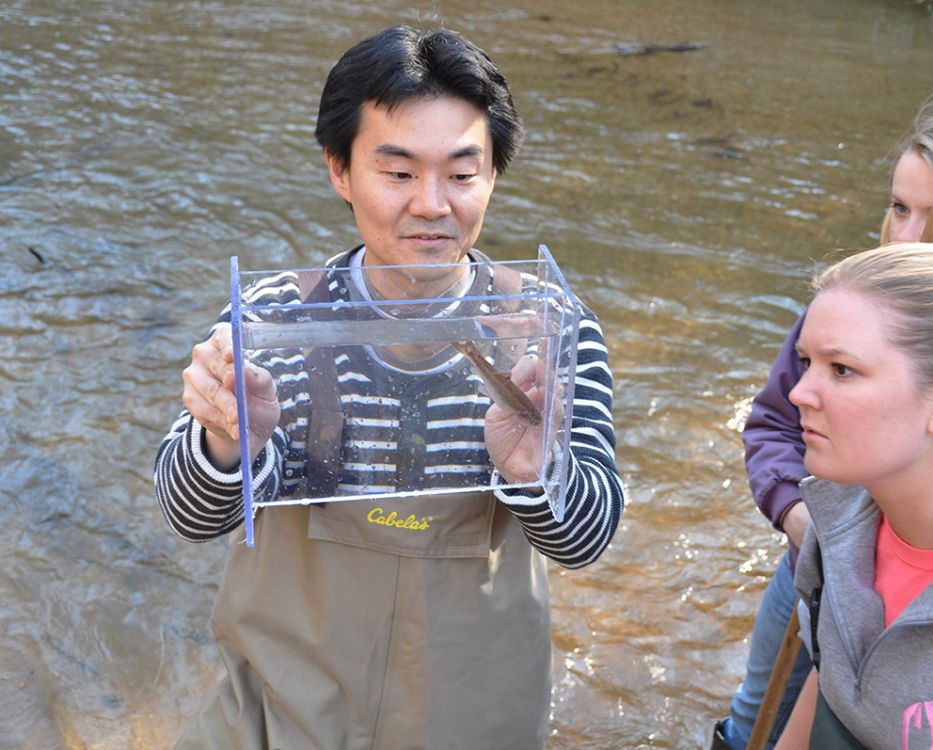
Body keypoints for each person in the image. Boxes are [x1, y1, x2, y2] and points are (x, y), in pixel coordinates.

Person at [154, 25, 623, 750]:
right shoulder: (271, 319)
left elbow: (587, 541)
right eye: (399, 173)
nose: (433, 204)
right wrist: (225, 441)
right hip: (279, 713)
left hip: (472, 719)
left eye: (462, 174)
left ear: (493, 175)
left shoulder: (549, 328)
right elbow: (190, 517)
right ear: (339, 171)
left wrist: (536, 471)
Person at [714, 103, 933, 750]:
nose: (908, 234)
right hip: (825, 561)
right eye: (899, 207)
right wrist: (804, 521)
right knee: (756, 723)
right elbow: (772, 426)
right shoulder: (849, 310)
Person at [770, 241, 933, 748]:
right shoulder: (833, 527)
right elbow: (829, 684)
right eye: (806, 361)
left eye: (842, 369)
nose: (798, 393)